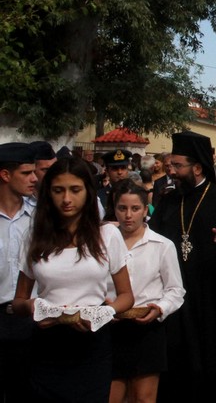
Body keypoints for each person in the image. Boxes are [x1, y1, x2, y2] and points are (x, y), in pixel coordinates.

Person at [12, 157, 134, 403]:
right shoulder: (35, 236)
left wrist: (103, 313)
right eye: (58, 191)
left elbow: (126, 296)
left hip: (92, 343)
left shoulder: (107, 235)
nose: (66, 199)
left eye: (75, 190)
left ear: (88, 192)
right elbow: (18, 301)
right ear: (49, 194)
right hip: (47, 344)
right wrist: (32, 308)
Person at [149, 131, 216, 402]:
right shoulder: (169, 201)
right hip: (176, 300)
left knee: (211, 369)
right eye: (170, 165)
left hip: (212, 300)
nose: (171, 171)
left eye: (178, 166)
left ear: (197, 167)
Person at [109, 179, 185, 403]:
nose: (128, 215)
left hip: (147, 329)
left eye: (135, 209)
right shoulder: (103, 244)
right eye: (122, 208)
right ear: (114, 209)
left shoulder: (162, 245)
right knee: (112, 395)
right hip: (111, 327)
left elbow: (175, 289)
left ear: (145, 210)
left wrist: (160, 308)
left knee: (144, 397)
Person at [0, 143, 38, 402]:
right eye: (26, 173)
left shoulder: (40, 217)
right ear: (5, 175)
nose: (34, 178)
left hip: (32, 320)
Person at [99, 149, 132, 220]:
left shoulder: (137, 193)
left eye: (123, 168)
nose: (120, 172)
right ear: (107, 172)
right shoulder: (99, 196)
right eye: (115, 169)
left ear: (127, 170)